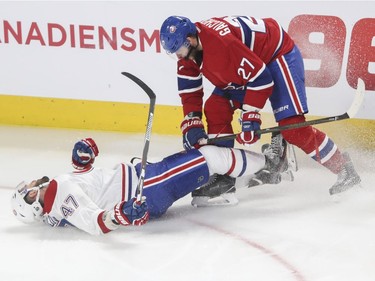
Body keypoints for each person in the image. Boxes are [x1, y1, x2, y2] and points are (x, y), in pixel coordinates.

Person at [159, 15, 361, 203]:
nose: (178, 55)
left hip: (276, 56)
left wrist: (250, 117)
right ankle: (224, 178)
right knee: (215, 107)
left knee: (292, 128)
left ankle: (344, 168)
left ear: (191, 40)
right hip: (250, 63)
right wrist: (192, 120)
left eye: (179, 49)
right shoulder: (191, 52)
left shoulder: (221, 46)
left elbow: (261, 78)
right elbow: (189, 89)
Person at [11, 137, 266, 235]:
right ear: (32, 196)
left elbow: (88, 190)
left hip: (144, 187)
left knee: (199, 160)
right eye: (27, 189)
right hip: (148, 187)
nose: (30, 184)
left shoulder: (56, 206)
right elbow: (94, 222)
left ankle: (214, 185)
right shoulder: (62, 194)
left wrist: (81, 163)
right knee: (209, 156)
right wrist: (120, 215)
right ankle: (271, 165)